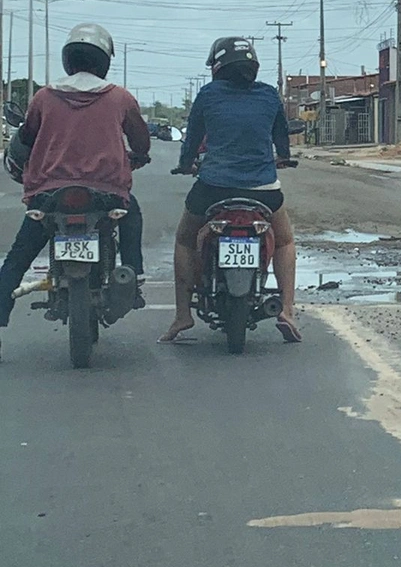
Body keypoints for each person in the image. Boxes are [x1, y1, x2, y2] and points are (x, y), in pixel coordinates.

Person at [0, 23, 150, 342]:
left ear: (68, 59)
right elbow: (141, 142)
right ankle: (132, 276)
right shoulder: (120, 98)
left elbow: (25, 140)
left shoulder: (43, 97)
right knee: (132, 215)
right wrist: (138, 155)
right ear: (104, 61)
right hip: (107, 195)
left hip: (49, 194)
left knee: (17, 260)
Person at [159, 37, 299, 344]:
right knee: (285, 241)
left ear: (218, 67)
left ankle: (183, 314)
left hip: (213, 188)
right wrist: (284, 159)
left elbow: (193, 137)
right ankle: (287, 310)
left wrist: (186, 164)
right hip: (263, 190)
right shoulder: (268, 95)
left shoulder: (209, 95)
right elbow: (282, 138)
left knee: (184, 240)